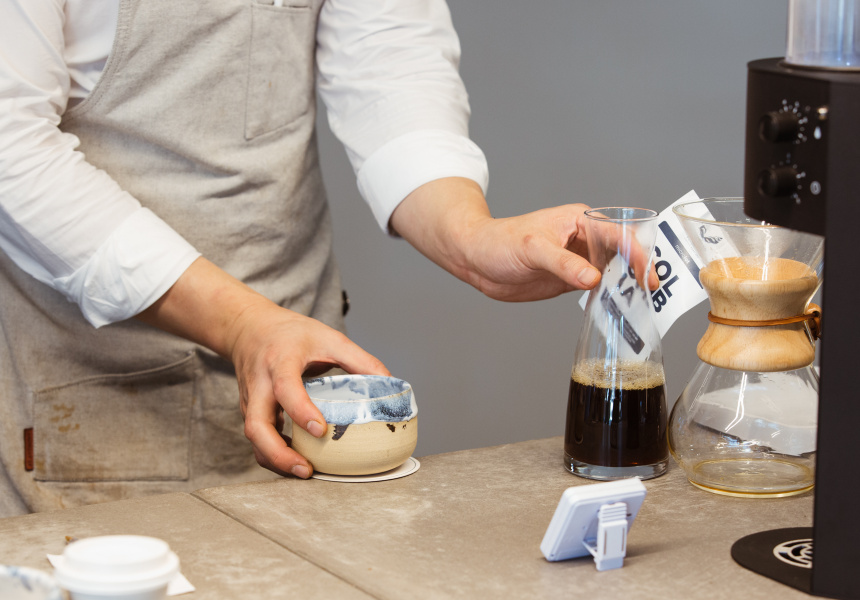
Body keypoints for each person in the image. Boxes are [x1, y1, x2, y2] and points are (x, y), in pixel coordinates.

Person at [0, 0, 608, 517]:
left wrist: (471, 237)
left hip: (302, 374)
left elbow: (388, 60)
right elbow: (11, 146)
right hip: (91, 391)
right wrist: (243, 323)